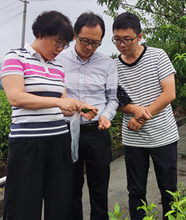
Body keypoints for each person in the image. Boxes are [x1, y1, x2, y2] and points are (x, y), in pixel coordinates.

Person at [0, 10, 97, 220]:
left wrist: (80, 107)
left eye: (64, 45)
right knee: (23, 206)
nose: (60, 49)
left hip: (58, 142)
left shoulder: (57, 66)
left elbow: (62, 105)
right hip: (27, 144)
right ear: (41, 33)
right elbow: (16, 97)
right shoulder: (16, 57)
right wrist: (58, 102)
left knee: (60, 204)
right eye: (57, 42)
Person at [112, 12, 179, 220]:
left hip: (164, 136)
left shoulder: (158, 56)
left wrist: (141, 116)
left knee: (169, 190)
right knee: (136, 191)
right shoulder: (113, 67)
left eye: (127, 39)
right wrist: (133, 110)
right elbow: (115, 102)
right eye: (117, 40)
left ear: (139, 36)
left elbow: (169, 93)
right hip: (134, 139)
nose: (121, 45)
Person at [56, 12, 119, 220]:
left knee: (99, 189)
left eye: (95, 43)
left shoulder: (107, 64)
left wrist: (106, 115)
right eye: (85, 41)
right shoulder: (59, 60)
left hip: (97, 133)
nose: (89, 47)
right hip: (66, 132)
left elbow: (113, 99)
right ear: (75, 35)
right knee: (70, 189)